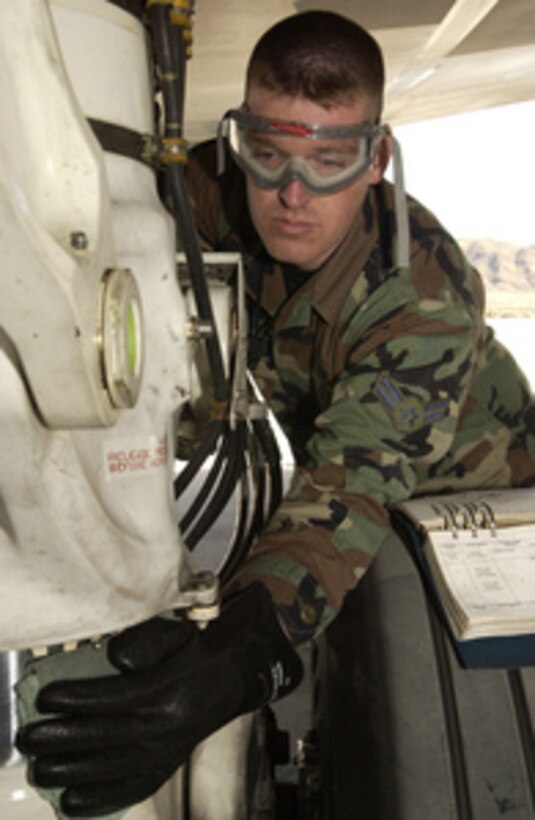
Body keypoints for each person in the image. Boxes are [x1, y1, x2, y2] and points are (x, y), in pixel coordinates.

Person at [17, 10, 535, 817]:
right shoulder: (223, 195)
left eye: (330, 160)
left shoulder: (421, 297)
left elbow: (350, 486)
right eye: (269, 155)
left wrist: (241, 656)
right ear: (238, 141)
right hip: (355, 494)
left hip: (474, 508)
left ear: (376, 160)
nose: (293, 195)